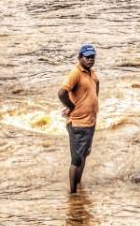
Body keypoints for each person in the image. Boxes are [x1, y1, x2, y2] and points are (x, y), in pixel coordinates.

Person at [58, 44, 100, 194]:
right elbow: (62, 93)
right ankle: (73, 193)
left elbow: (96, 85)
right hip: (77, 123)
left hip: (90, 122)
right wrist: (71, 106)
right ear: (80, 58)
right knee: (76, 160)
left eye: (92, 57)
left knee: (84, 155)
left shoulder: (91, 73)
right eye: (87, 57)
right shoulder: (75, 73)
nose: (90, 59)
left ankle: (79, 184)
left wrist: (92, 102)